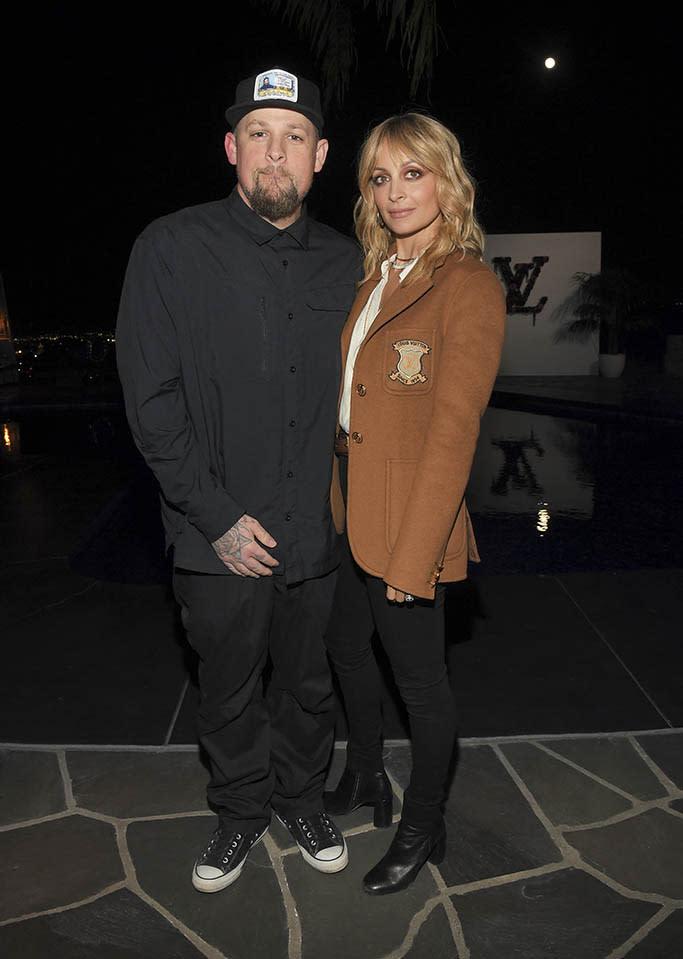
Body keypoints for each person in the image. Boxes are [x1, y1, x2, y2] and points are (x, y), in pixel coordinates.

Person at [116, 67, 361, 892]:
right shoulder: (169, 248)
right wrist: (217, 515)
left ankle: (300, 797)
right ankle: (240, 812)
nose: (274, 152)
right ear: (231, 147)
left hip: (316, 531)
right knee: (226, 688)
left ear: (320, 155)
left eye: (293, 136)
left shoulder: (348, 261)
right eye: (258, 133)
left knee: (307, 683)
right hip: (215, 531)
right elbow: (149, 402)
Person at [323, 112, 506, 894]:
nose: (395, 191)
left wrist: (415, 551)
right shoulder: (373, 276)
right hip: (346, 505)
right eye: (379, 176)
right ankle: (367, 773)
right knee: (343, 646)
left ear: (445, 180)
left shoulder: (466, 284)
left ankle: (423, 824)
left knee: (421, 684)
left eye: (412, 172)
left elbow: (452, 432)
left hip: (405, 521)